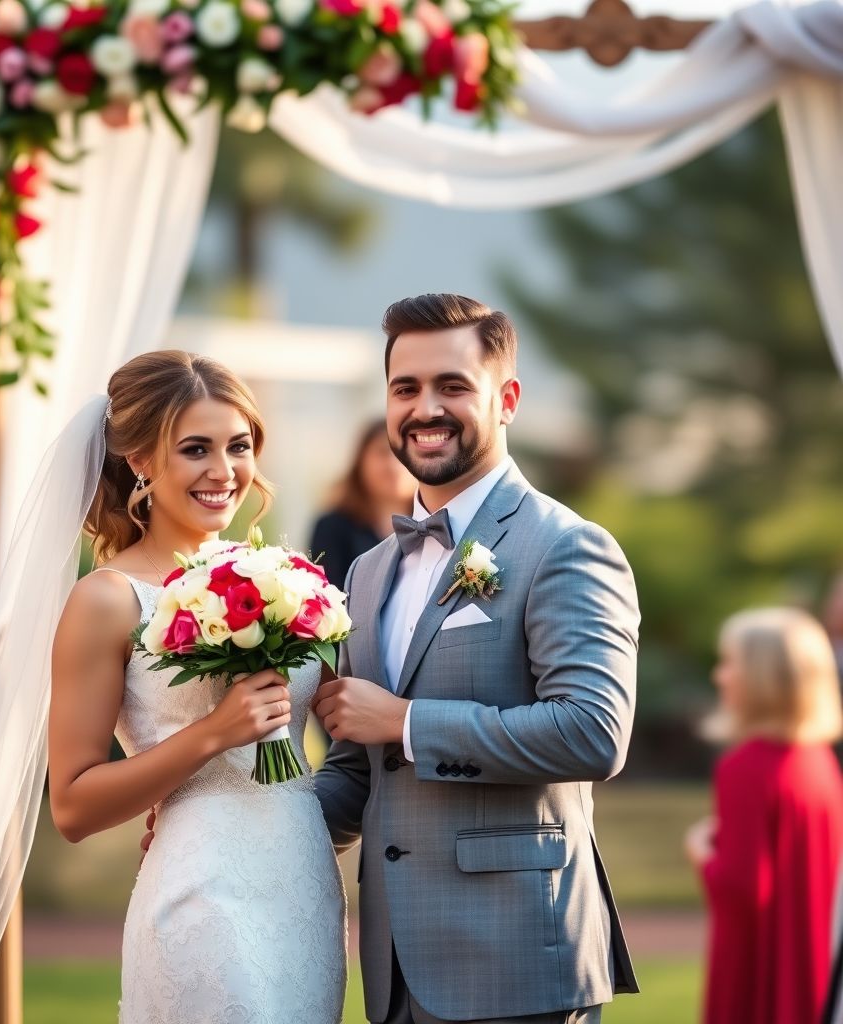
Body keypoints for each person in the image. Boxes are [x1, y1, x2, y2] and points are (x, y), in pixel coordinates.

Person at [0, 351, 346, 1024]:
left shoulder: (286, 581)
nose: (224, 471)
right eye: (195, 448)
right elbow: (74, 805)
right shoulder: (108, 601)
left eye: (238, 446)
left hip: (304, 890)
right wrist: (211, 735)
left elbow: (339, 735)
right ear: (140, 460)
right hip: (203, 899)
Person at [310, 293, 641, 1024]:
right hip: (395, 970)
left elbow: (592, 730)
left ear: (507, 398)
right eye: (406, 388)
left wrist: (407, 721)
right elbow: (359, 765)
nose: (426, 407)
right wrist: (239, 821)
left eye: (452, 386)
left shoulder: (565, 545)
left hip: (518, 964)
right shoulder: (366, 573)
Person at [684, 607, 843, 1024]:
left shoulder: (746, 767)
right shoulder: (819, 761)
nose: (720, 676)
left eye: (730, 663)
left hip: (762, 965)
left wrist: (701, 852)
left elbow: (743, 888)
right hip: (816, 955)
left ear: (762, 678)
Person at [309, 419, 416, 590]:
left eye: (404, 453)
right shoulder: (332, 528)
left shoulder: (436, 529)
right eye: (382, 453)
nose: (393, 465)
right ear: (360, 461)